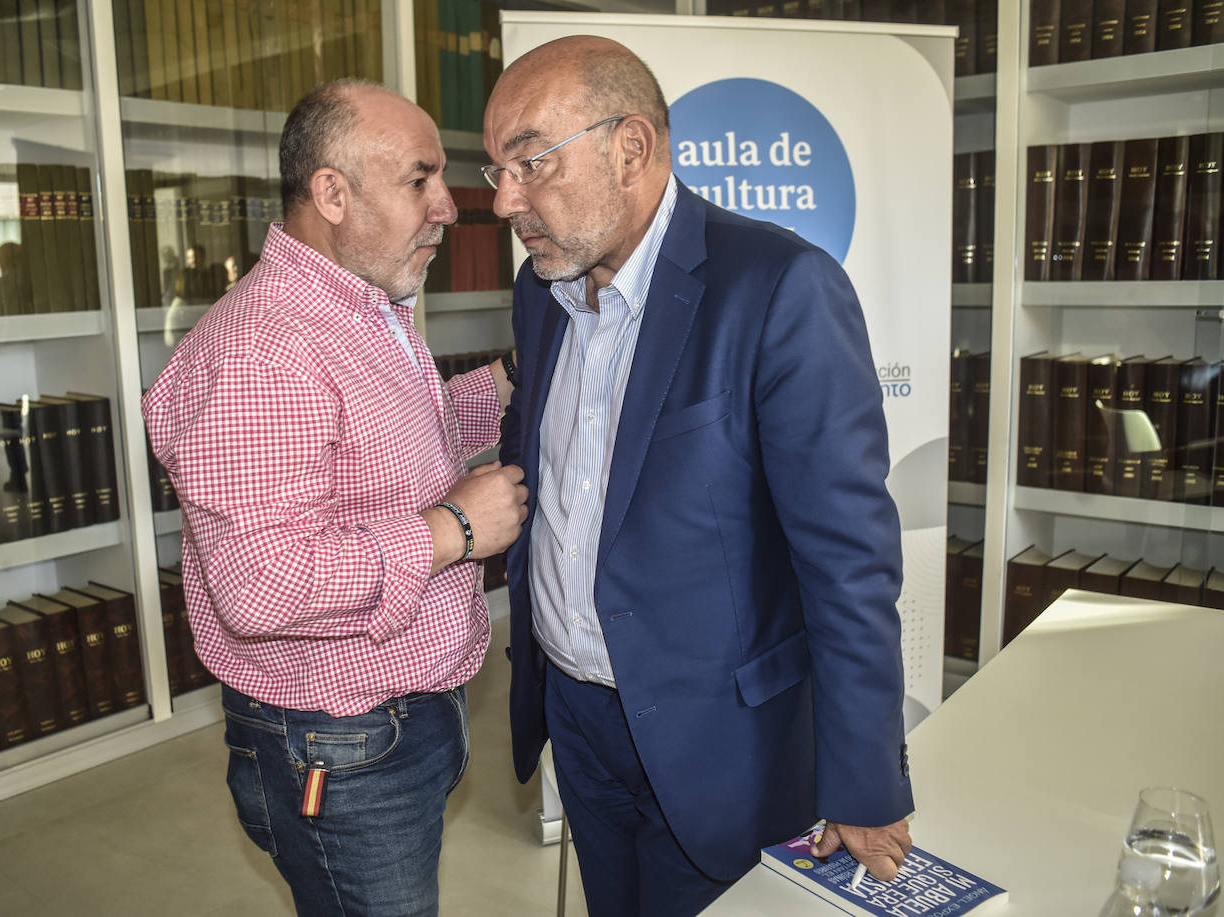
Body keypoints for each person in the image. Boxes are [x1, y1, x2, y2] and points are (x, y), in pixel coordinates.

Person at [486, 36, 914, 916]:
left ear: (630, 149)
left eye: (530, 162)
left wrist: (864, 778)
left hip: (723, 740)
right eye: (498, 169)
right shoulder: (541, 290)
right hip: (577, 716)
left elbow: (848, 560)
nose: (504, 201)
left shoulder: (780, 287)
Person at [142, 79, 529, 916]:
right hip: (342, 742)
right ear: (331, 192)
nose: (449, 208)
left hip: (391, 718)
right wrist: (454, 529)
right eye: (419, 179)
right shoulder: (261, 355)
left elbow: (387, 453)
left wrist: (505, 383)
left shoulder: (358, 309)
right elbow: (262, 583)